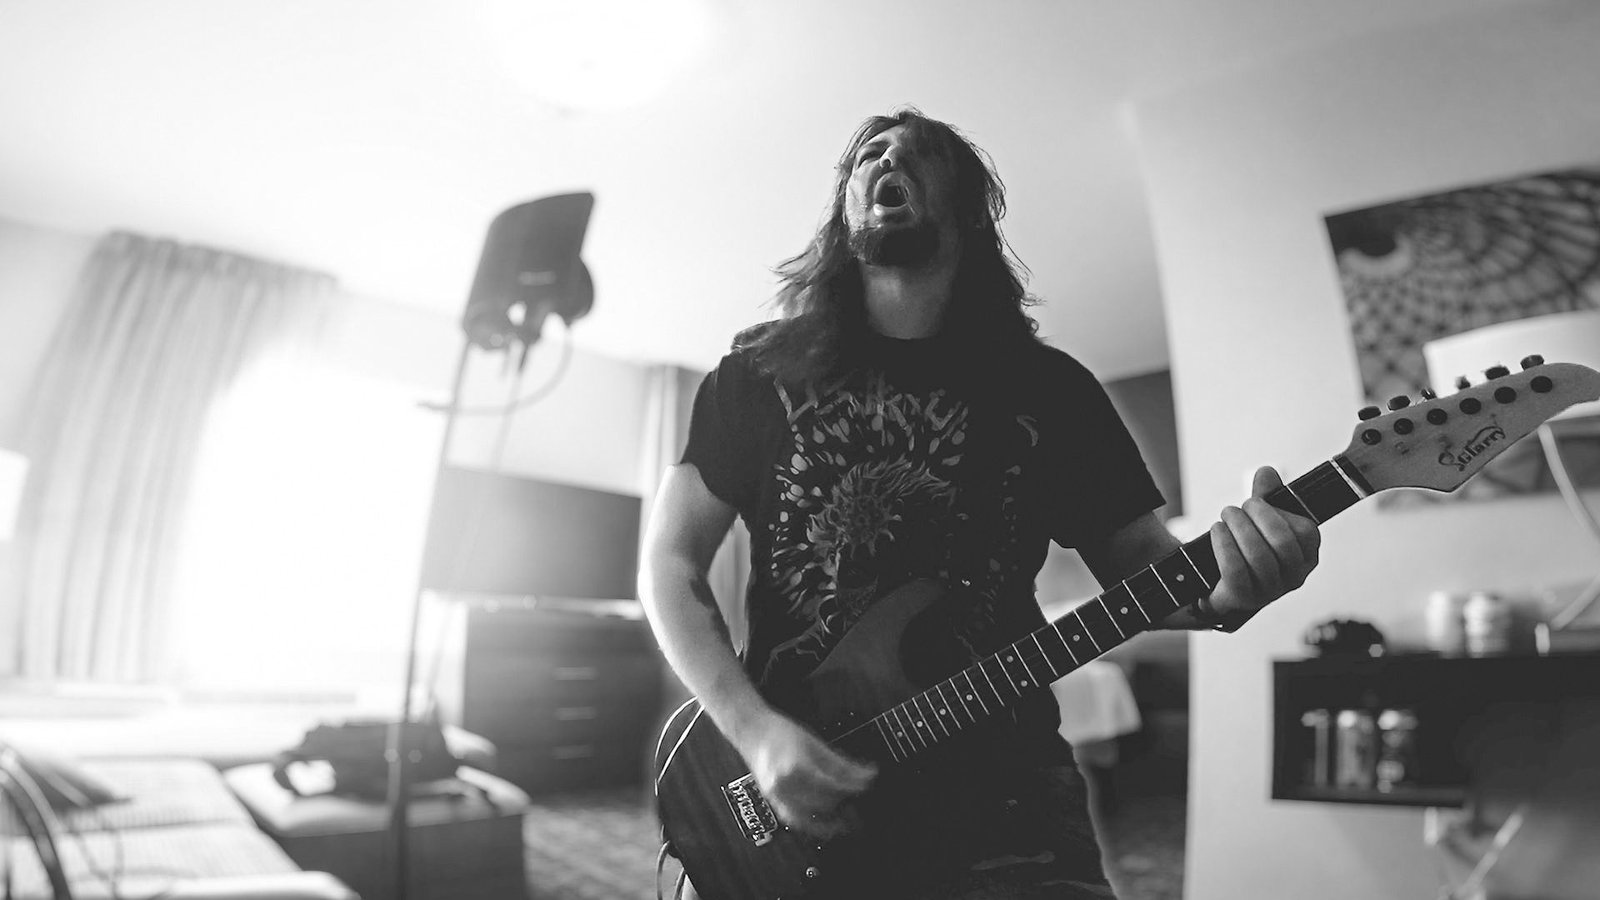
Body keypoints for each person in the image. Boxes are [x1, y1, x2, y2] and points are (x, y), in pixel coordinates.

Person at [639, 108, 1321, 899]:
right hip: (804, 782)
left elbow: (1147, 568)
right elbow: (669, 562)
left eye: (919, 152)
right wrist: (754, 732)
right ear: (844, 207)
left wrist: (1230, 589)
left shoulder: (1052, 392)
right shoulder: (757, 375)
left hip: (1008, 795)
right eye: (868, 153)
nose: (887, 158)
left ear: (968, 207)